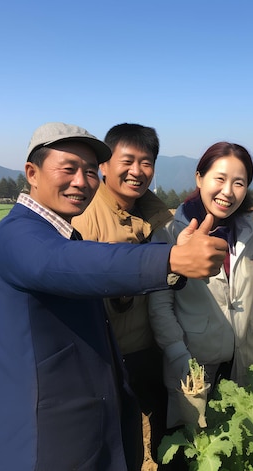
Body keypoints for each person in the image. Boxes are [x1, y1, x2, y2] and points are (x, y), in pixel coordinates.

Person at [0, 122, 228, 471]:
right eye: (68, 169)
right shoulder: (17, 235)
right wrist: (171, 258)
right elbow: (74, 265)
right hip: (46, 435)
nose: (81, 181)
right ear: (32, 173)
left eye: (88, 171)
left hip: (85, 417)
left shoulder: (62, 233)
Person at [71, 123, 171, 466]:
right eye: (127, 160)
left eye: (146, 162)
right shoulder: (84, 217)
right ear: (104, 165)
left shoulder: (155, 215)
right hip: (105, 353)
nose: (137, 171)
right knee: (114, 443)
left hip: (145, 345)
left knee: (161, 425)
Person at [148, 142, 253, 429]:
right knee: (190, 451)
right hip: (191, 370)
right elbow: (160, 307)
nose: (227, 191)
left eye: (239, 183)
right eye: (219, 179)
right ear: (199, 178)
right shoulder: (169, 234)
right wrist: (180, 357)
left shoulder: (249, 233)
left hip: (239, 367)